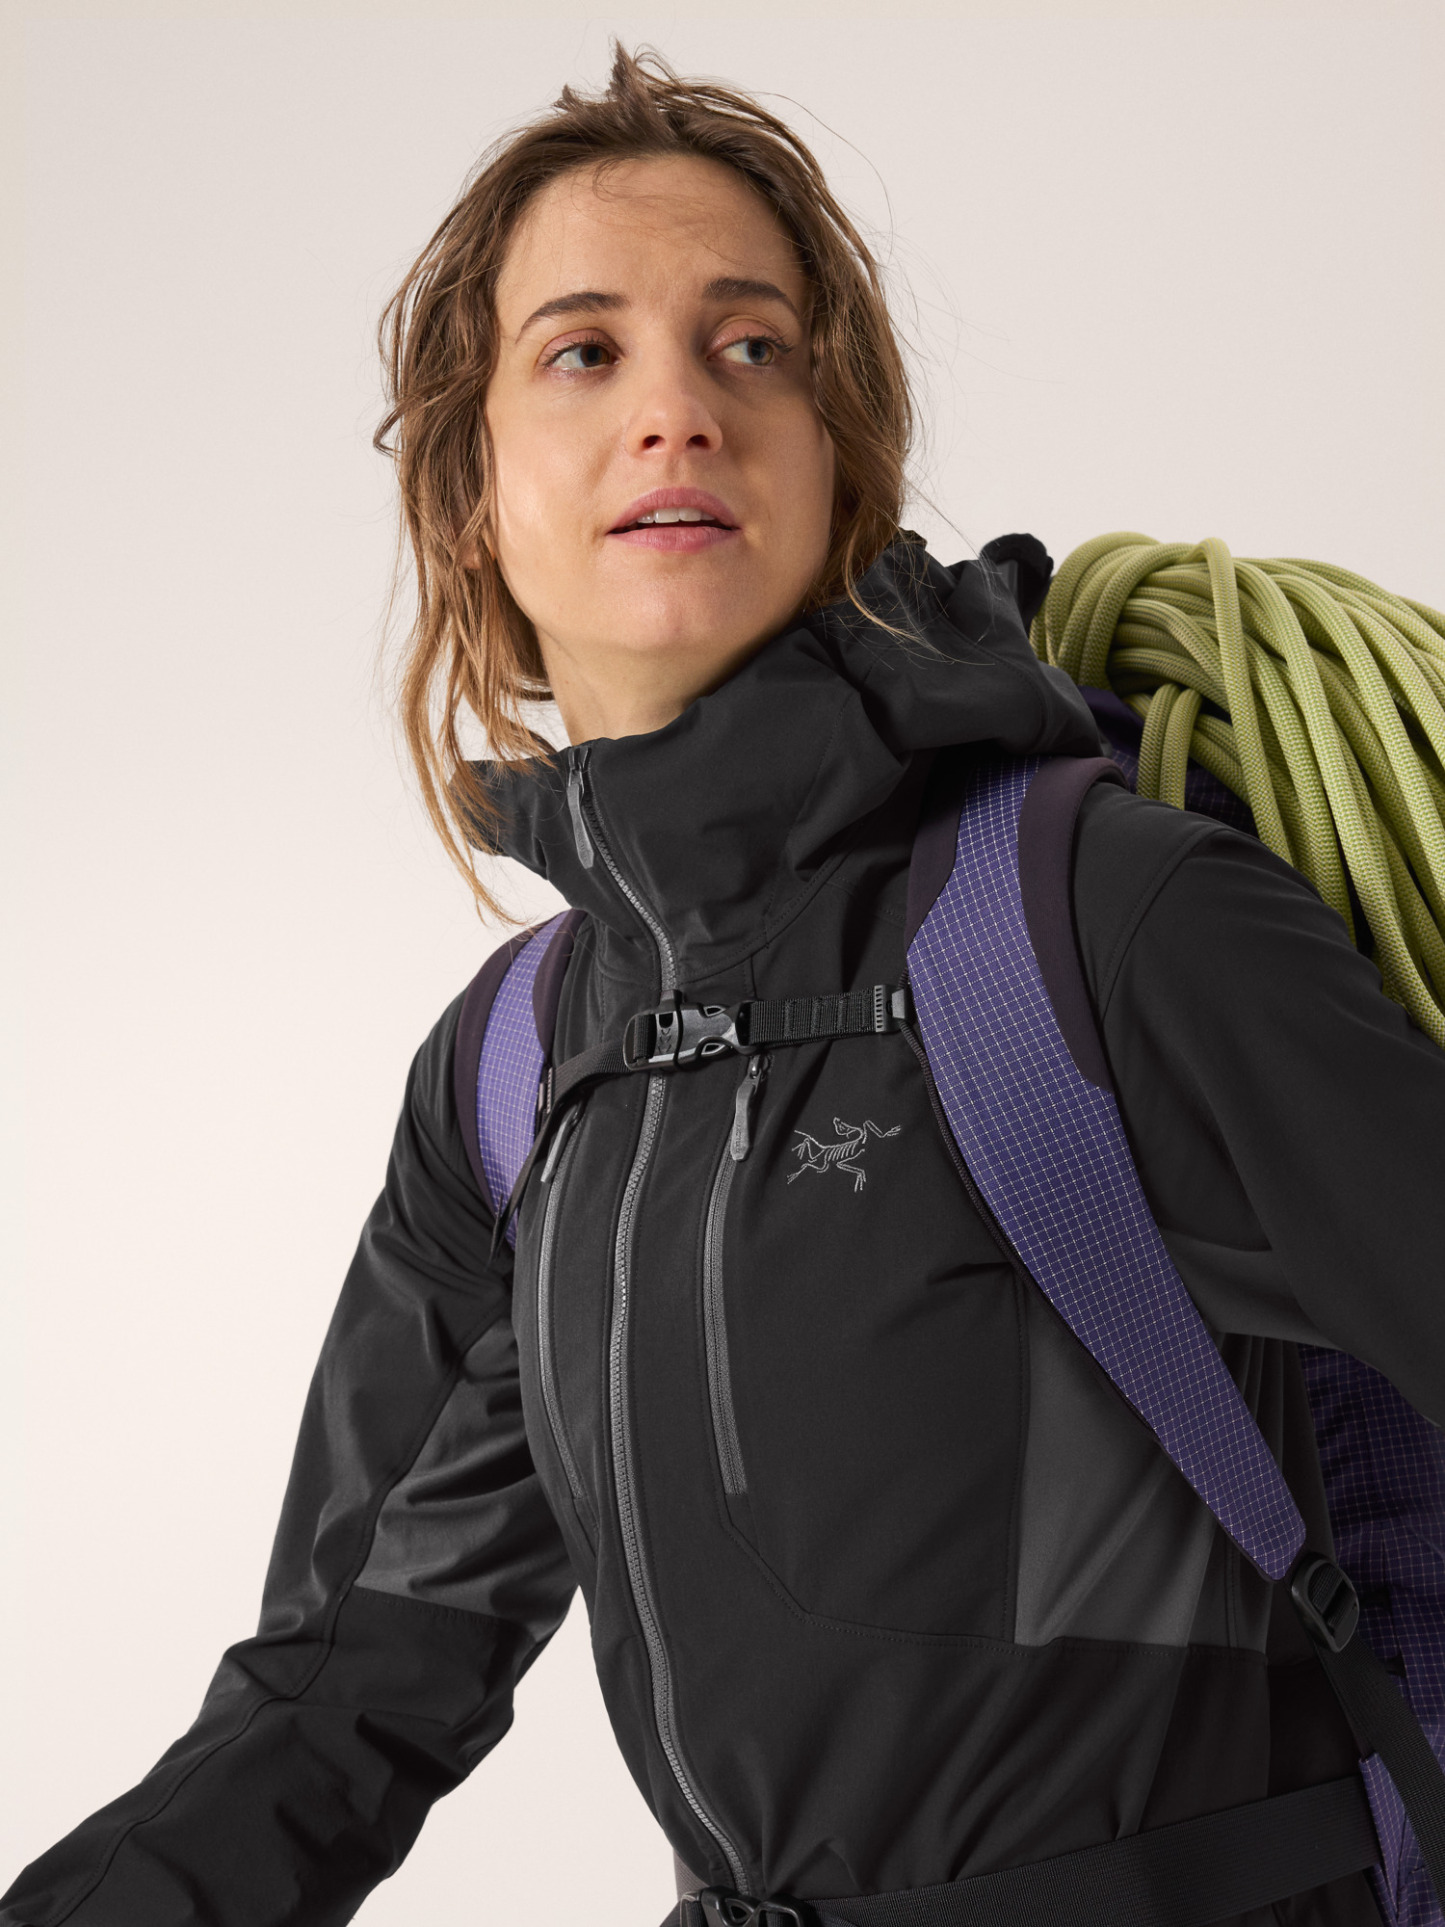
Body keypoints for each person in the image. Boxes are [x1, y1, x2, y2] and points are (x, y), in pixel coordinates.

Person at [6, 42, 1444, 1927]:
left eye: (750, 346)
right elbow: (345, 1696)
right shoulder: (512, 1076)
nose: (676, 410)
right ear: (472, 490)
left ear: (838, 463)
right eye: (582, 353)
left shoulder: (1103, 926)